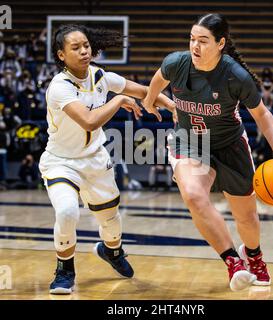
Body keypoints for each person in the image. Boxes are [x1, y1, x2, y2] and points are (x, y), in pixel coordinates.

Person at [142, 13, 273, 291]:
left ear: (221, 43)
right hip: (188, 142)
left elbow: (262, 114)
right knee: (194, 196)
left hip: (230, 145)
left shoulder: (236, 76)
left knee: (246, 217)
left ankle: (254, 256)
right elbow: (158, 78)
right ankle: (233, 261)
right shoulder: (177, 63)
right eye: (191, 39)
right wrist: (151, 100)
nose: (195, 47)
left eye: (203, 41)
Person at [39, 24, 175, 294]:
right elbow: (90, 122)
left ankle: (111, 251)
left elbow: (144, 91)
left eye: (86, 45)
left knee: (110, 221)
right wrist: (117, 100)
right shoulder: (59, 87)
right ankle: (64, 270)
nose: (84, 51)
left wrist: (170, 105)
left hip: (96, 159)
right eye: (75, 48)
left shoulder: (101, 76)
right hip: (61, 161)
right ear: (61, 55)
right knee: (67, 212)